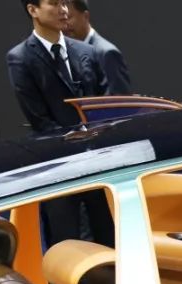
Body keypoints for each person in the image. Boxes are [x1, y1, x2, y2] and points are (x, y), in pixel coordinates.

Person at [8, 0, 114, 247]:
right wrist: (78, 140)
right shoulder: (20, 58)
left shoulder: (87, 51)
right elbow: (38, 118)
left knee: (110, 236)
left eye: (64, 3)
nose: (64, 10)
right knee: (66, 241)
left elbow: (104, 105)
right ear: (33, 10)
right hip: (58, 165)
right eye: (54, 3)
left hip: (98, 161)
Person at [62, 0, 132, 95]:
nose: (65, 25)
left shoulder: (106, 53)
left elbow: (119, 100)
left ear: (86, 16)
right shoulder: (64, 51)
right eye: (62, 19)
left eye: (68, 17)